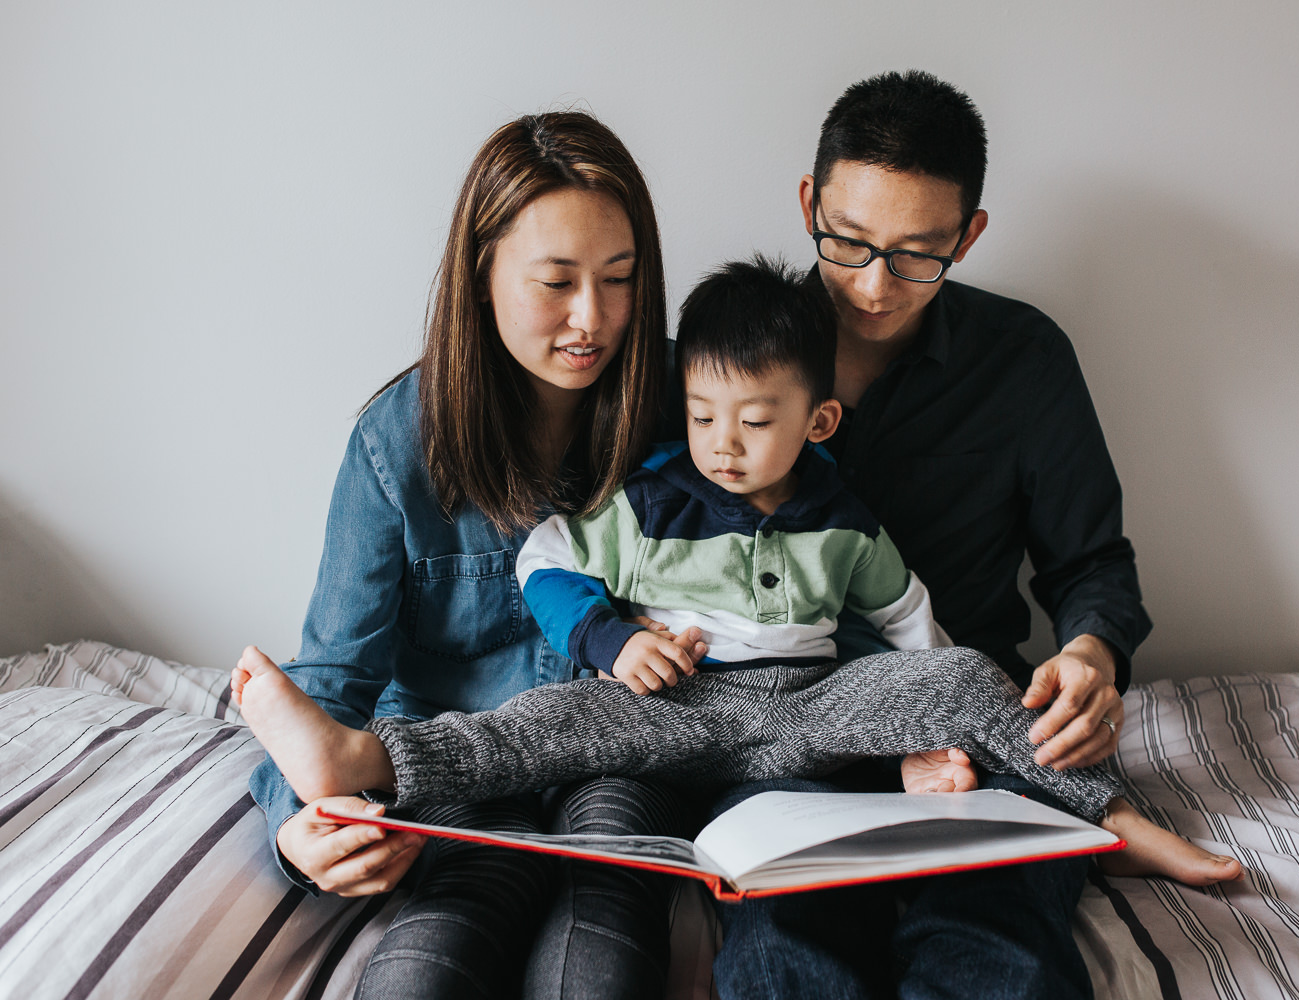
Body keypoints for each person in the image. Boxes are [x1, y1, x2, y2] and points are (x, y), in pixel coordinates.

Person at [233, 256, 1240, 886]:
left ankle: (1119, 817)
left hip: (809, 704)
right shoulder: (656, 494)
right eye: (703, 417)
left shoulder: (841, 514)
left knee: (971, 675)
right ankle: (358, 764)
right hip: (682, 705)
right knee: (538, 727)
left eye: (755, 424)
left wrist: (925, 716)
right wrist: (613, 639)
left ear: (817, 422)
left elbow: (905, 616)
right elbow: (545, 557)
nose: (722, 443)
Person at [705, 71, 1175, 1000]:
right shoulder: (729, 350)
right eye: (847, 242)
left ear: (969, 235)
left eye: (920, 254)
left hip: (973, 719)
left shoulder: (1024, 357)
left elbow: (1093, 567)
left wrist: (1091, 654)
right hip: (788, 727)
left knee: (997, 954)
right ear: (810, 202)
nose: (875, 285)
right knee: (782, 949)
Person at [244, 111, 699, 1000]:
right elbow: (329, 686)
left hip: (617, 763)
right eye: (556, 282)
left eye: (619, 280)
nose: (592, 319)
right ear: (482, 272)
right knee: (425, 967)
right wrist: (300, 830)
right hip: (453, 773)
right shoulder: (397, 444)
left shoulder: (689, 408)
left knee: (599, 956)